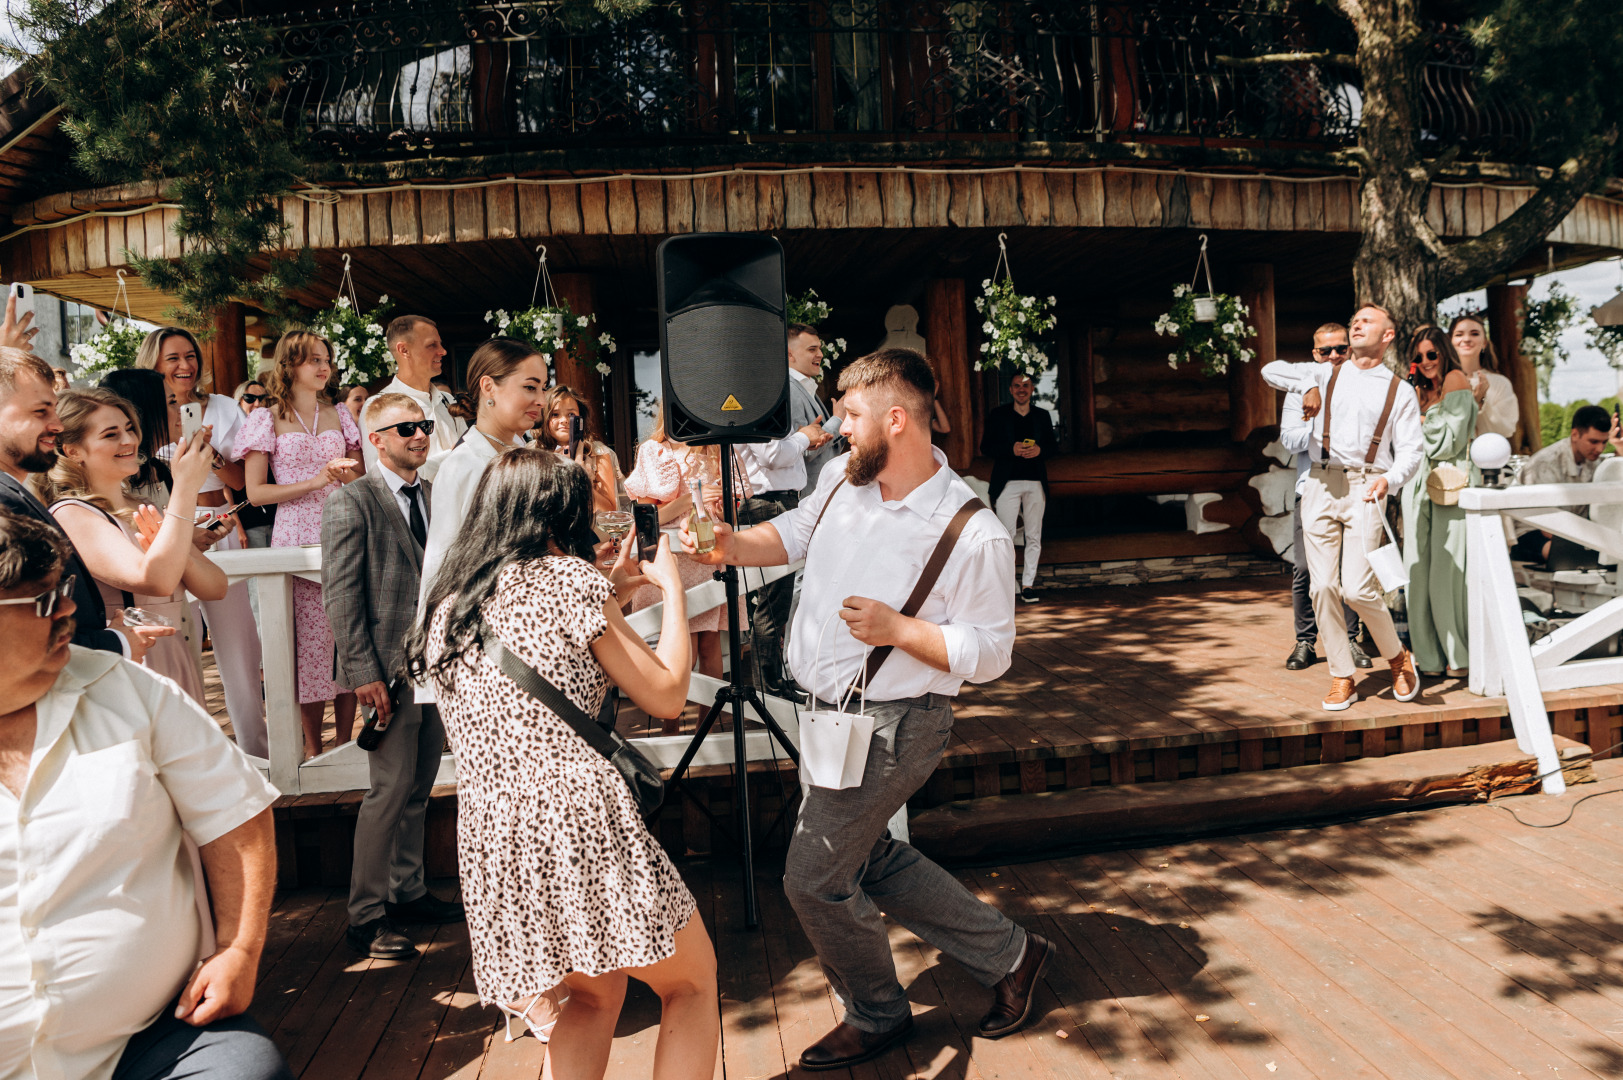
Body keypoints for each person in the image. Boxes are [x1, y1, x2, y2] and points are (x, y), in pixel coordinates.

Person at [683, 348, 1046, 1071]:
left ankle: (878, 1015)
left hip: (896, 725)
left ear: (896, 418)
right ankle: (1012, 954)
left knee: (812, 878)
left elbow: (992, 652)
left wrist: (899, 630)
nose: (835, 427)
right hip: (827, 719)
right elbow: (787, 537)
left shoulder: (970, 529)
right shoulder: (841, 483)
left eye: (848, 414)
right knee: (865, 853)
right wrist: (727, 545)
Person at [406, 448, 716, 1078]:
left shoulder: (447, 607)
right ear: (562, 514)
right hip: (577, 815)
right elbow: (666, 695)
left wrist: (616, 590)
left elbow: (542, 659)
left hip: (495, 828)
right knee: (692, 983)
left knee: (590, 995)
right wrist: (673, 592)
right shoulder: (570, 584)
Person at [0, 511, 289, 1080]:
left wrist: (239, 949)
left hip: (151, 1042)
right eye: (41, 603)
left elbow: (236, 815)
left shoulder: (131, 692)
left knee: (244, 1070)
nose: (68, 611)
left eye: (62, 591)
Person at [323, 394, 465, 961]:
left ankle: (408, 891)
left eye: (425, 426)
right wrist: (362, 672)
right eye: (406, 428)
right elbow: (341, 595)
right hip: (385, 670)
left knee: (418, 789)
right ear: (374, 439)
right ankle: (366, 914)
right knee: (386, 792)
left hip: (437, 669)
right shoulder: (350, 502)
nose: (420, 435)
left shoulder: (435, 496)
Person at [1265, 305, 1425, 712]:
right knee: (1321, 587)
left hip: (1368, 485)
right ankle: (1342, 675)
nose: (1356, 324)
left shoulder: (1398, 390)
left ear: (1387, 335)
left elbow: (1411, 451)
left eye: (1367, 321)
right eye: (1355, 319)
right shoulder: (1323, 371)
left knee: (1357, 588)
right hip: (1320, 482)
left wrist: (1389, 480)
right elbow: (1270, 370)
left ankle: (1396, 656)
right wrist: (1308, 385)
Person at [37, 388, 229, 710]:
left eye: (129, 428)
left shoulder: (141, 506)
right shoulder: (71, 513)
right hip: (133, 666)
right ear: (73, 451)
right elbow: (157, 580)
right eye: (111, 434)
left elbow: (216, 586)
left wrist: (172, 550)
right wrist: (184, 488)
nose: (129, 440)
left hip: (177, 658)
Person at [234, 330, 363, 758]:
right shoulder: (266, 418)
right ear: (288, 366)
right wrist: (313, 481)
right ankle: (313, 747)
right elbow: (254, 493)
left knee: (347, 636)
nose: (323, 367)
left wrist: (347, 478)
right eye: (312, 360)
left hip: (344, 528)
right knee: (307, 644)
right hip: (293, 534)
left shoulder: (341, 414)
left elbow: (360, 477)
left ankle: (345, 744)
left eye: (326, 358)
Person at [138, 328, 265, 760]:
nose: (185, 366)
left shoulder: (226, 408)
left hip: (220, 525)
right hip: (164, 530)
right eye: (172, 358)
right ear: (153, 361)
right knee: (175, 642)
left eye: (190, 356)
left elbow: (242, 483)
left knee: (239, 644)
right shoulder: (141, 412)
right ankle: (190, 753)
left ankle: (256, 750)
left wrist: (211, 454)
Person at [0, 347, 170, 662]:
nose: (56, 424)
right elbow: (17, 625)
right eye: (41, 412)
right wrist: (115, 642)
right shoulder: (7, 500)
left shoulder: (12, 492)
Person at [1261, 323, 1370, 671]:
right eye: (1327, 351)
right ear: (1315, 355)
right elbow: (1291, 441)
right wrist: (1317, 416)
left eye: (1341, 349)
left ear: (1350, 350)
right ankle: (1305, 641)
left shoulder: (1363, 385)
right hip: (1311, 487)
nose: (1335, 356)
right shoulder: (1301, 385)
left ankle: (1351, 640)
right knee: (1306, 569)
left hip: (1354, 486)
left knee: (1348, 569)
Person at [419, 338, 549, 608]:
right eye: (530, 387)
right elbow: (440, 565)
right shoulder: (465, 466)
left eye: (543, 388)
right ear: (489, 386)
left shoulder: (528, 453)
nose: (542, 400)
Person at [735, 355, 836, 698]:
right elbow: (772, 455)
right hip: (768, 503)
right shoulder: (751, 403)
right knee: (770, 602)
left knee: (775, 602)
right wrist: (806, 437)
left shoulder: (756, 400)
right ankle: (769, 687)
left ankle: (773, 680)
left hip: (777, 501)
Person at [624, 408, 734, 688]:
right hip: (671, 557)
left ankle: (707, 726)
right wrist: (690, 499)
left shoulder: (714, 449)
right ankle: (669, 724)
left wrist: (721, 507)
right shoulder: (654, 451)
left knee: (710, 642)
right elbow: (649, 518)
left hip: (706, 552)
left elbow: (727, 511)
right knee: (676, 640)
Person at [1401, 328, 1477, 678]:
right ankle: (1428, 659)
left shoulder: (1456, 380)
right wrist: (1417, 403)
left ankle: (1458, 656)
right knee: (1417, 572)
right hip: (1418, 483)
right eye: (1419, 357)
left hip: (1451, 483)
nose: (1426, 363)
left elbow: (1446, 443)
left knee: (1445, 575)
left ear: (1444, 353)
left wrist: (1421, 417)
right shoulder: (1421, 392)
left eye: (1432, 354)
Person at [1510, 404, 1622, 563]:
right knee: (1568, 553)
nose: (1600, 448)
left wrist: (1619, 447)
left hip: (1578, 535)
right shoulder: (1546, 463)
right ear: (1575, 434)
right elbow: (1544, 522)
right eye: (1594, 441)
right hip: (1534, 532)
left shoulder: (1594, 460)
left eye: (1604, 442)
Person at [981, 372, 1056, 604]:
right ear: (1011, 390)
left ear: (1032, 389)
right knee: (1006, 536)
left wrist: (1041, 450)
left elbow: (1054, 446)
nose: (1021, 389)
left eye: (1026, 385)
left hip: (1035, 482)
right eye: (1016, 386)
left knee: (1034, 535)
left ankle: (1027, 585)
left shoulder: (1042, 416)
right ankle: (1007, 585)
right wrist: (1010, 449)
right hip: (1008, 482)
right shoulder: (999, 415)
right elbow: (986, 447)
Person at [363, 315, 468, 473]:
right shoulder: (379, 406)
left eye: (440, 344)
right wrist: (452, 457)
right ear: (404, 350)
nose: (443, 351)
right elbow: (382, 477)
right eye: (432, 345)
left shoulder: (447, 400)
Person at [535, 385, 621, 513]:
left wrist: (583, 481)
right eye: (555, 414)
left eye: (571, 414)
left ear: (581, 418)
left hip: (592, 529)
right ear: (545, 417)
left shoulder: (598, 452)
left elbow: (609, 510)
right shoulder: (533, 452)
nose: (564, 420)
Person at [787, 323, 846, 497]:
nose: (820, 354)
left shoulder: (805, 387)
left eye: (819, 348)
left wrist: (842, 425)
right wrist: (837, 420)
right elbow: (802, 451)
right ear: (790, 354)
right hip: (808, 497)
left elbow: (827, 449)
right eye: (812, 349)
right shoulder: (790, 390)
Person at [1449, 314, 1519, 440]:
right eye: (1459, 334)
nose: (1466, 339)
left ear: (1484, 343)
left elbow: (1506, 429)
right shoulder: (1441, 381)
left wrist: (1481, 404)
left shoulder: (1500, 383)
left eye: (1474, 334)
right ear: (1450, 341)